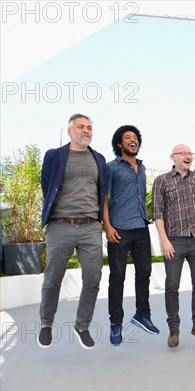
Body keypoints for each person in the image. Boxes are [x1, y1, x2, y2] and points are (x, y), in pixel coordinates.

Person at [38, 113, 108, 350]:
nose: (86, 131)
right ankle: (46, 324)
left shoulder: (98, 158)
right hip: (60, 226)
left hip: (90, 227)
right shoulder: (54, 156)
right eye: (81, 127)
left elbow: (102, 193)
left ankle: (82, 326)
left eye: (89, 127)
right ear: (70, 131)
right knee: (53, 278)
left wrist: (104, 225)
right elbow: (46, 184)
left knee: (93, 277)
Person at [152, 119, 195, 348]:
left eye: (190, 153)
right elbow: (157, 213)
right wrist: (164, 241)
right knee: (172, 286)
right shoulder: (161, 181)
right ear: (173, 157)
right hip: (174, 241)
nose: (187, 156)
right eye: (183, 153)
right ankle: (173, 329)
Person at [104, 125, 159, 347]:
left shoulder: (142, 168)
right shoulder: (111, 168)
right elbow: (103, 200)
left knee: (144, 272)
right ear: (119, 144)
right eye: (128, 138)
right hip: (119, 228)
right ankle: (116, 322)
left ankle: (142, 315)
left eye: (135, 138)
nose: (132, 140)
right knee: (117, 277)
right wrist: (107, 226)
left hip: (141, 227)